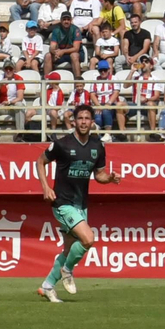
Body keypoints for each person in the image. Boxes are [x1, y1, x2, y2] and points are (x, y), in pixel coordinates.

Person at [36, 106, 121, 303]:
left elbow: (98, 174)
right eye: (80, 118)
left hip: (80, 204)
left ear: (92, 122)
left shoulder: (97, 146)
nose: (83, 122)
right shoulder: (62, 144)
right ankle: (67, 270)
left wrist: (109, 178)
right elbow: (40, 161)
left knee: (68, 249)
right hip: (62, 203)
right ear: (73, 121)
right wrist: (46, 187)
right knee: (88, 239)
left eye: (87, 118)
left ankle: (48, 286)